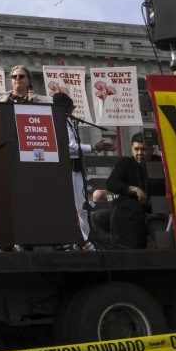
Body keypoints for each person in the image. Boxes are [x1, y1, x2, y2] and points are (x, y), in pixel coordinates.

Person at [52, 93, 112, 249]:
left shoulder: (68, 122)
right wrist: (93, 148)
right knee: (67, 208)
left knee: (83, 207)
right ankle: (66, 243)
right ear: (64, 108)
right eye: (71, 107)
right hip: (66, 171)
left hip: (76, 170)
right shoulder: (57, 122)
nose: (74, 109)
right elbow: (68, 148)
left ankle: (89, 243)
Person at [93, 133, 153, 249]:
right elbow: (111, 183)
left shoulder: (159, 164)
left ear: (151, 150)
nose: (139, 153)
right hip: (129, 214)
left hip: (152, 213)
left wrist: (160, 213)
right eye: (136, 149)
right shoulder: (126, 163)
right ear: (132, 149)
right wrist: (133, 189)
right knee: (98, 216)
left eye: (144, 149)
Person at [0, 65, 40, 164]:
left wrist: (35, 105)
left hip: (31, 150)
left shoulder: (41, 100)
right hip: (5, 149)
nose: (17, 78)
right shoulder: (0, 99)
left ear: (29, 80)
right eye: (14, 76)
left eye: (21, 76)